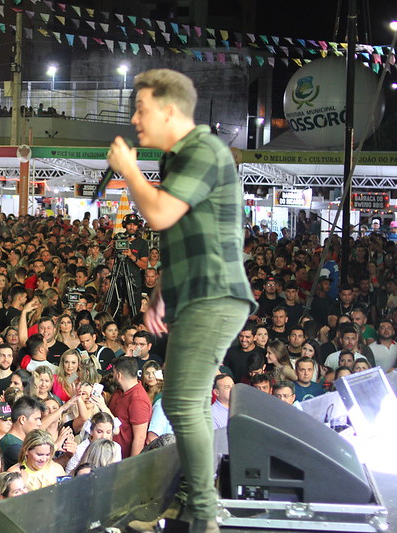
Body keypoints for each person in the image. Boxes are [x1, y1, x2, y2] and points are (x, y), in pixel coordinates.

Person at [107, 68, 255, 533]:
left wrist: (128, 168)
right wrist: (158, 292)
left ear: (170, 110)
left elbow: (160, 212)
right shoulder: (176, 159)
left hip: (215, 294)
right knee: (181, 399)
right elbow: (180, 232)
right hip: (192, 293)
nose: (134, 118)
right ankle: (189, 504)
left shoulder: (204, 150)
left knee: (185, 401)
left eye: (142, 108)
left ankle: (204, 517)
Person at [108, 356, 151, 458]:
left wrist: (131, 468)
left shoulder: (138, 400)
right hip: (110, 455)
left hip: (123, 460)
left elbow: (140, 438)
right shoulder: (118, 391)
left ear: (118, 375)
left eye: (113, 373)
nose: (112, 376)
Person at [0, 396, 43, 469]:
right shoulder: (12, 446)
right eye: (36, 419)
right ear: (22, 419)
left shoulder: (18, 442)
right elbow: (35, 470)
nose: (40, 423)